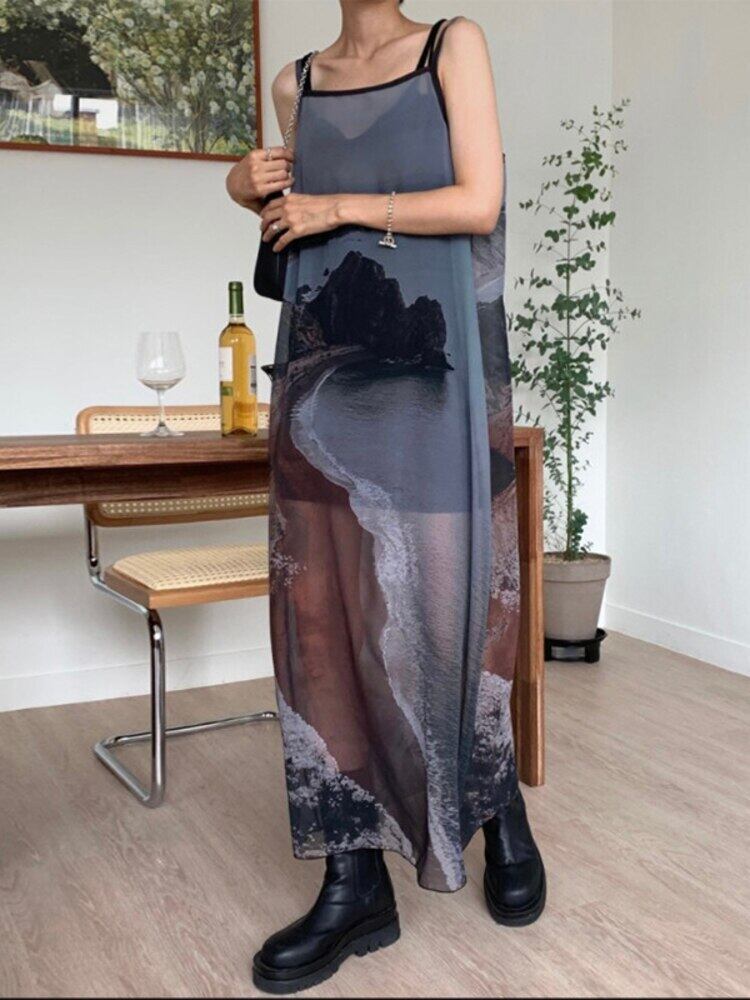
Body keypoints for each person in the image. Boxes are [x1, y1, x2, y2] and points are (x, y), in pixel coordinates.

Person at [226, 1, 545, 992]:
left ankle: (495, 803)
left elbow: (479, 202)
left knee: (450, 603)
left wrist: (338, 209)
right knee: (320, 610)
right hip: (324, 365)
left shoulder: (452, 45)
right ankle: (352, 875)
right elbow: (291, 219)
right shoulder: (298, 83)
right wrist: (247, 186)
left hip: (435, 365)